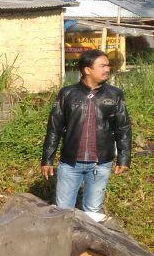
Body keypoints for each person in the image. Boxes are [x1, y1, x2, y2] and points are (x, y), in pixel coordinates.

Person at [41, 49, 131, 221]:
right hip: (70, 164)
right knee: (62, 213)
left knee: (93, 213)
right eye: (102, 65)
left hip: (100, 164)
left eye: (108, 65)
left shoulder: (115, 95)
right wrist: (47, 159)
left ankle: (88, 248)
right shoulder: (67, 94)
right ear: (87, 70)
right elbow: (54, 127)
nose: (107, 69)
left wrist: (124, 158)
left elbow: (123, 128)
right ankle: (65, 247)